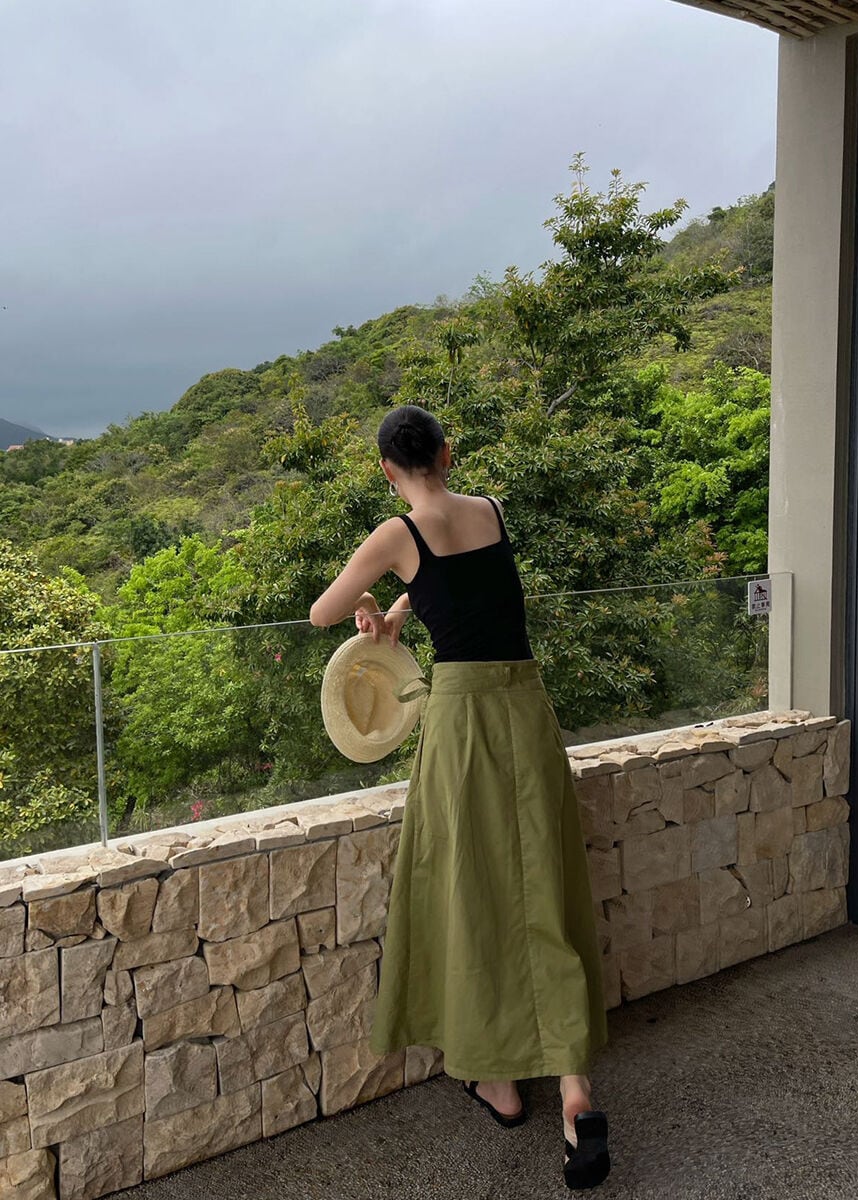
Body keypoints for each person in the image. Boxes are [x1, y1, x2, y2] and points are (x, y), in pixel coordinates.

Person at [310, 404, 610, 1189]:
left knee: (471, 887)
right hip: (526, 709)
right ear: (447, 454)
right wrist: (402, 606)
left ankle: (498, 1083)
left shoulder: (396, 533)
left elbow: (323, 612)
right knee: (542, 884)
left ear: (387, 469)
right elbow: (470, 588)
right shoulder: (491, 511)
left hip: (462, 720)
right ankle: (575, 1094)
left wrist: (372, 606)